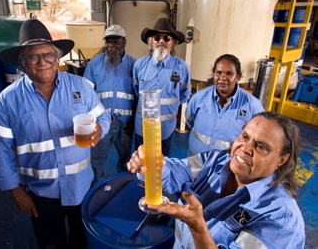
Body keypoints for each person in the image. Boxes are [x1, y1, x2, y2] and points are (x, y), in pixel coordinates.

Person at [0, 19, 111, 249]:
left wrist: (99, 129)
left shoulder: (81, 87)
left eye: (48, 55)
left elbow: (102, 117)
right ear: (23, 63)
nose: (42, 61)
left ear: (57, 58)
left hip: (81, 186)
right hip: (40, 193)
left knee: (82, 239)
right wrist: (15, 190)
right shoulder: (7, 101)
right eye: (33, 56)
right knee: (50, 244)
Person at [128, 112, 305, 249]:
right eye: (244, 137)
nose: (245, 149)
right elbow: (175, 172)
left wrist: (198, 228)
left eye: (260, 147)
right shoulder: (214, 161)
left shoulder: (281, 218)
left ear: (282, 160)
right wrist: (151, 165)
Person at [83, 25, 136, 184]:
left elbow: (139, 96)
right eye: (108, 41)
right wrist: (91, 121)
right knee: (96, 162)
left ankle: (123, 188)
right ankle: (93, 194)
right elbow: (86, 94)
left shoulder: (135, 65)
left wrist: (134, 120)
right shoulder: (94, 64)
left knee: (127, 162)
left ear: (124, 42)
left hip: (125, 124)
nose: (111, 45)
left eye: (116, 41)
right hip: (101, 123)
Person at [133, 17, 191, 157]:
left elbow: (184, 95)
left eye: (167, 38)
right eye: (157, 37)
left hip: (166, 129)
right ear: (151, 42)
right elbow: (136, 91)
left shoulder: (182, 67)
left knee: (164, 166)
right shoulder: (139, 65)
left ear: (173, 43)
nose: (161, 41)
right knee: (142, 164)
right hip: (143, 128)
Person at [186, 54, 264, 156]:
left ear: (237, 77)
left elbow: (259, 136)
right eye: (218, 72)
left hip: (226, 167)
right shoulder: (199, 98)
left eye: (229, 73)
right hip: (194, 162)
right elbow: (189, 121)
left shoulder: (252, 105)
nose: (222, 77)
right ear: (213, 74)